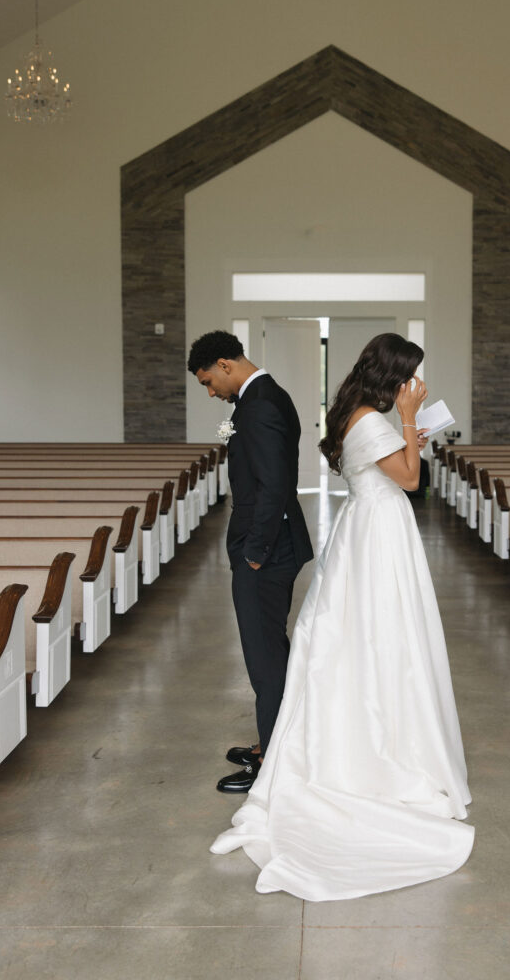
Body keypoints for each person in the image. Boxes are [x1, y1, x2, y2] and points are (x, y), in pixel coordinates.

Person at [209, 332, 474, 901]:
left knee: (361, 637)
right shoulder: (376, 419)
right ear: (393, 376)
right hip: (379, 533)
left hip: (367, 527)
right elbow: (408, 479)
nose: (413, 387)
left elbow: (394, 465)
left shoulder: (356, 412)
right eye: (409, 378)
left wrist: (409, 429)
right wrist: (408, 419)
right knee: (382, 638)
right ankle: (375, 750)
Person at [187, 330, 313, 794]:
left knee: (265, 661)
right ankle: (272, 742)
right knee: (270, 653)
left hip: (267, 550)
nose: (210, 391)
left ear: (224, 364)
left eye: (207, 381)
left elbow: (272, 485)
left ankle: (274, 764)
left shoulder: (258, 404)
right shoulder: (264, 395)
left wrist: (254, 555)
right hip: (275, 545)